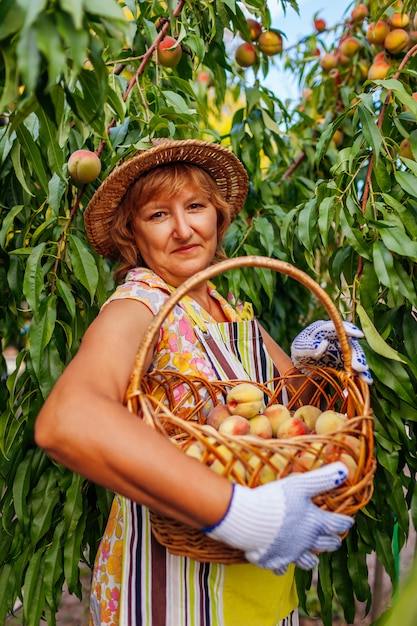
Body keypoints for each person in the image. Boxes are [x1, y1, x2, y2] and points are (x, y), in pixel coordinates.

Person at [35, 139, 369, 626]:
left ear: (218, 215)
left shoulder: (223, 303)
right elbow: (66, 419)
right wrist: (237, 512)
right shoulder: (142, 304)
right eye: (157, 215)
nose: (184, 228)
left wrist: (319, 359)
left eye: (195, 207)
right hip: (173, 596)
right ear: (132, 233)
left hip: (260, 589)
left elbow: (293, 406)